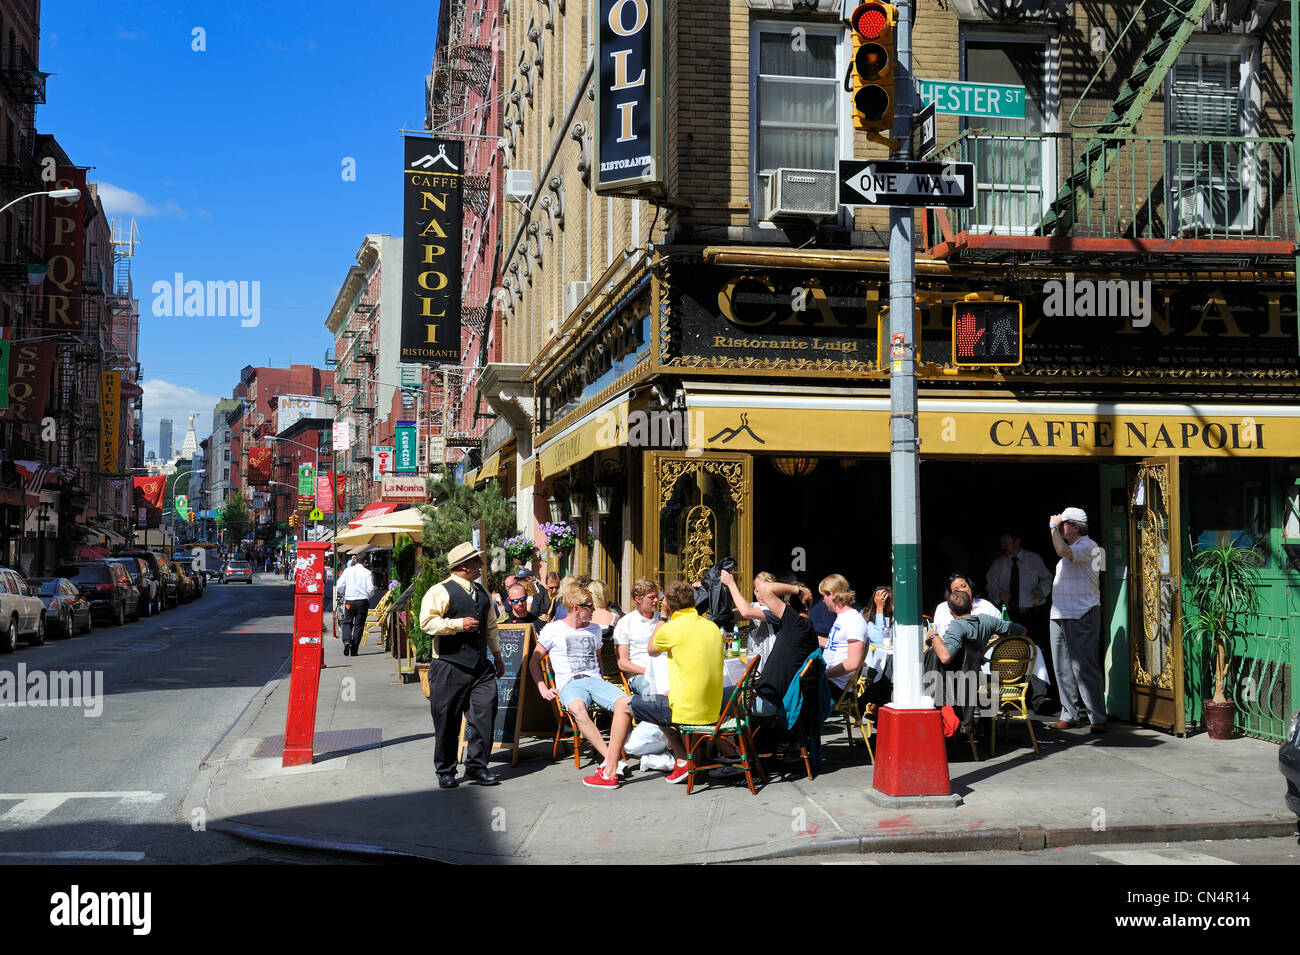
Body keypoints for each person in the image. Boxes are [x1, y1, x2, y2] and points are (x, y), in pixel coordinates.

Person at [585, 581, 725, 789]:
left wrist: (665, 617)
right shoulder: (712, 627)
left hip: (685, 708)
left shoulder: (670, 627)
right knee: (656, 697)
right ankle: (684, 759)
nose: (656, 601)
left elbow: (652, 649)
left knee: (623, 704)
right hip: (714, 708)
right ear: (695, 602)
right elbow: (623, 662)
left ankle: (609, 772)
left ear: (668, 604)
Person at [419, 542, 506, 789]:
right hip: (449, 664)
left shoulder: (482, 592)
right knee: (447, 719)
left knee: (484, 715)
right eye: (477, 561)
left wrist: (497, 655)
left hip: (479, 666)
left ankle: (478, 767)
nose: (481, 565)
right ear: (464, 566)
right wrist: (457, 625)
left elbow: (490, 627)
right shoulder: (440, 591)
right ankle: (445, 770)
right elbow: (426, 623)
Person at [529, 585, 631, 772]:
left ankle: (610, 761)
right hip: (570, 683)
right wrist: (543, 688)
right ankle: (611, 759)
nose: (594, 610)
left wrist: (601, 679)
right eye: (590, 607)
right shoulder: (553, 629)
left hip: (595, 680)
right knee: (577, 708)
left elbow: (598, 658)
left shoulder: (595, 629)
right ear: (577, 608)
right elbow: (533, 661)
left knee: (625, 703)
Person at [925, 588, 1027, 733]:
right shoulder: (986, 620)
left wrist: (933, 636)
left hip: (953, 684)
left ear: (950, 611)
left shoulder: (957, 626)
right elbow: (1021, 630)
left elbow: (945, 657)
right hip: (973, 678)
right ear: (971, 606)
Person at [1047, 507, 1107, 733]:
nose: (1060, 527)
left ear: (1073, 526)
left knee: (1084, 667)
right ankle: (1069, 714)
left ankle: (1097, 717)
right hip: (1060, 614)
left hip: (1081, 613)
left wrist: (1052, 527)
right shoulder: (1074, 548)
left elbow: (1062, 551)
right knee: (1062, 667)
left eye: (1063, 523)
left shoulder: (1089, 546)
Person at [820, 573, 867, 693]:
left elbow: (853, 663)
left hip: (835, 685)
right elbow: (836, 645)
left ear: (831, 594)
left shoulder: (854, 620)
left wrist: (823, 674)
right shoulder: (843, 617)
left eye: (824, 595)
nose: (823, 600)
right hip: (828, 681)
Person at [613, 578, 660, 694]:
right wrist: (646, 671)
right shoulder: (626, 623)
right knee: (652, 694)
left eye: (656, 596)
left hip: (665, 671)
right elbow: (622, 662)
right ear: (638, 599)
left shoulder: (663, 619)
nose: (656, 600)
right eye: (651, 597)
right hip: (639, 675)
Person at [930, 573, 1000, 637]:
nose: (962, 591)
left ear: (970, 586)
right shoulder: (942, 609)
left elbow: (1002, 628)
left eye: (964, 586)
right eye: (956, 590)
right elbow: (937, 634)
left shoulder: (986, 606)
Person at [336, 556, 376, 656]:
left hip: (350, 601)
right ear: (365, 561)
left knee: (347, 622)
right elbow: (371, 589)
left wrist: (344, 593)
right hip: (362, 601)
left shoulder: (348, 571)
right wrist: (367, 596)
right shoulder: (367, 573)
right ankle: (354, 649)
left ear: (355, 560)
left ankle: (346, 641)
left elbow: (339, 585)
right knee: (359, 625)